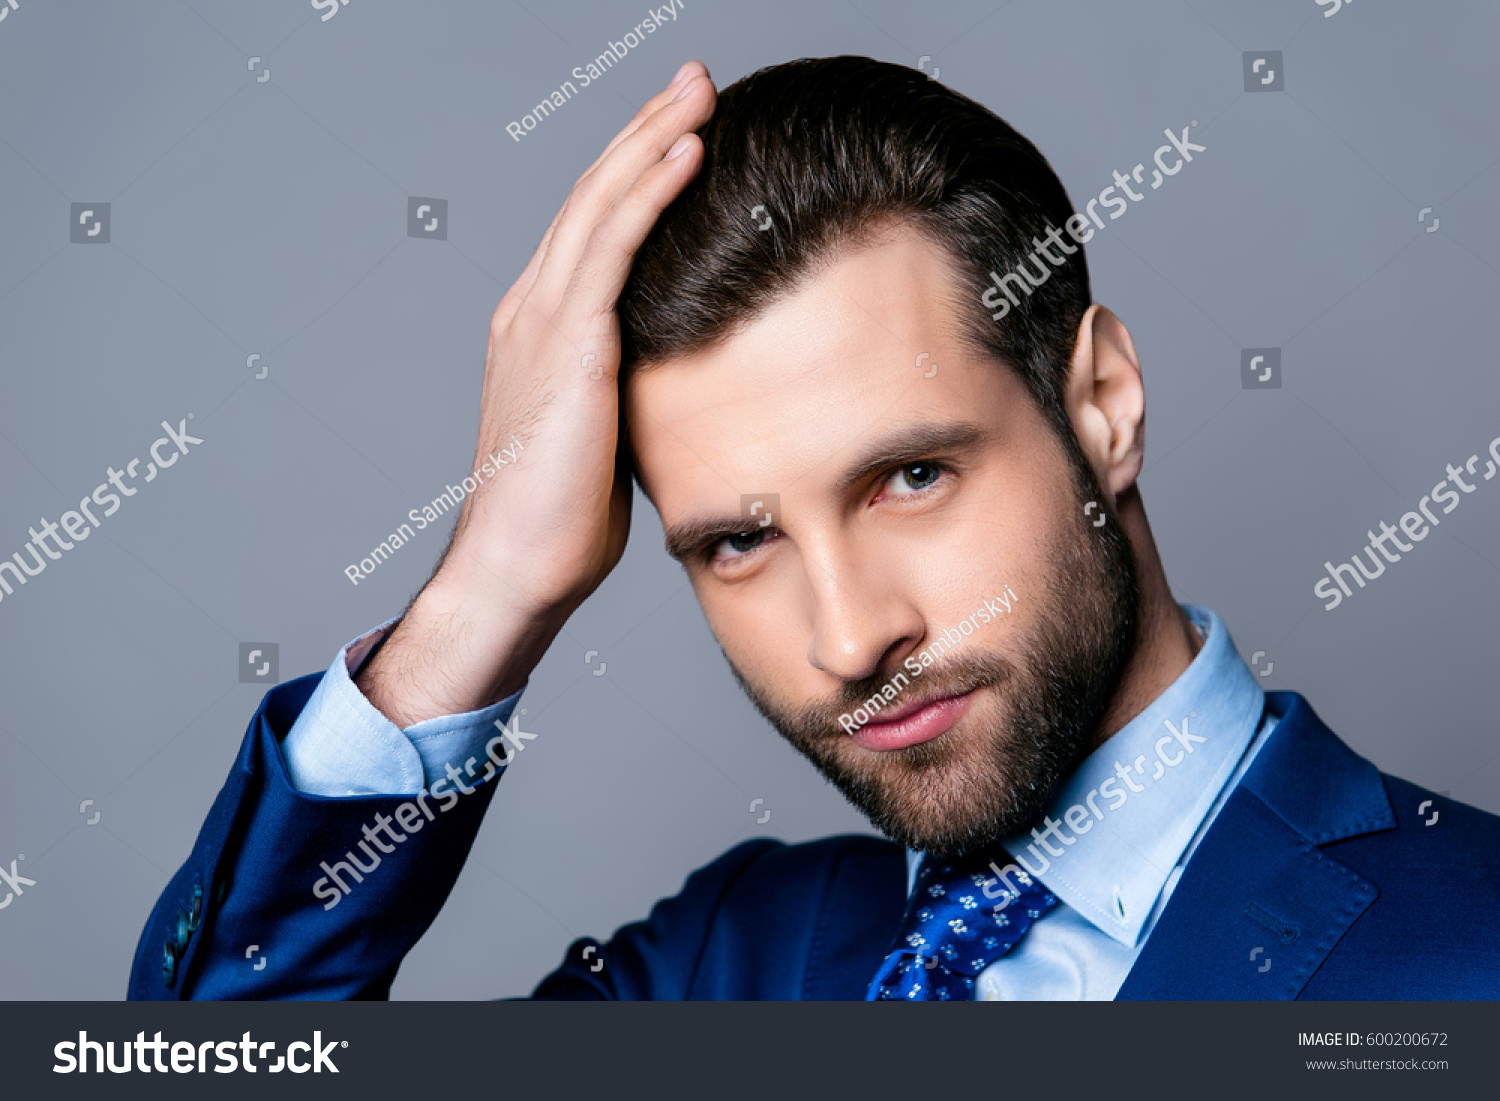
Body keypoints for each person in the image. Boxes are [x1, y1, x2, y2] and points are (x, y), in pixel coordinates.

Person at [129, 56, 1500, 1001]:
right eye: (739, 541)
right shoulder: (733, 961)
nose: (851, 639)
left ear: (1102, 404)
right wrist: (486, 597)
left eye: (910, 476)